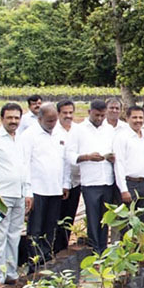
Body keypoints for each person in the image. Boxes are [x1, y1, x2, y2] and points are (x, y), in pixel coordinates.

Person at [0, 103, 32, 288]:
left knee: (14, 236)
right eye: (9, 118)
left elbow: (26, 168)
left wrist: (28, 193)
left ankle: (11, 273)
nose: (13, 121)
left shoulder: (21, 139)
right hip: (1, 198)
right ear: (2, 118)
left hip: (18, 196)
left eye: (16, 118)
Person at [69, 99, 116, 253]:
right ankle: (95, 250)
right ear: (89, 112)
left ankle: (103, 248)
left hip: (107, 179)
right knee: (93, 217)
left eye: (102, 115)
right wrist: (87, 157)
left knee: (105, 218)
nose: (99, 119)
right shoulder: (78, 130)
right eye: (96, 115)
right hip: (90, 181)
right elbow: (69, 155)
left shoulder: (109, 129)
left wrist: (111, 157)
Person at [23, 103, 67, 263]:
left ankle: (47, 257)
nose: (53, 124)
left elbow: (64, 160)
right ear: (39, 118)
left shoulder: (59, 133)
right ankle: (34, 261)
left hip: (55, 189)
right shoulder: (29, 136)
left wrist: (65, 183)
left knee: (50, 226)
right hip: (37, 190)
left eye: (55, 120)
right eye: (49, 121)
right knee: (35, 228)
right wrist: (28, 192)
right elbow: (25, 164)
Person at [54, 99, 81, 255]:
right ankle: (54, 249)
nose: (68, 116)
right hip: (58, 182)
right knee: (56, 217)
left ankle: (63, 248)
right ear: (58, 114)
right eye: (65, 113)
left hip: (76, 181)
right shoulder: (54, 131)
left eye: (71, 112)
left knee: (69, 216)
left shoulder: (78, 130)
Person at [113, 106, 144, 210]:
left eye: (140, 118)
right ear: (127, 118)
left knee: (142, 219)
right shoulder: (122, 137)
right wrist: (123, 189)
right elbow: (119, 164)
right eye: (134, 117)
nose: (138, 121)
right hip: (129, 184)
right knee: (127, 221)